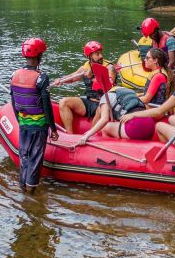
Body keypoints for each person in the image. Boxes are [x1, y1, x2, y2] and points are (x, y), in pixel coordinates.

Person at [10, 37, 58, 193]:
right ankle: (31, 197)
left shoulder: (14, 75)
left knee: (24, 156)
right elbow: (46, 106)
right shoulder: (41, 78)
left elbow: (13, 103)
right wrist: (53, 128)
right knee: (35, 158)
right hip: (39, 127)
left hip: (23, 123)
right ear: (39, 56)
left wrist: (20, 121)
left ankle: (22, 188)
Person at [52, 40, 116, 134]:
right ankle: (70, 135)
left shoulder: (110, 68)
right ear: (89, 56)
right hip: (89, 101)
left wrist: (92, 78)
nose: (101, 56)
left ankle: (90, 136)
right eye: (97, 54)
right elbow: (72, 78)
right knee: (64, 102)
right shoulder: (85, 67)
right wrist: (60, 80)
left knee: (100, 110)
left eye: (101, 53)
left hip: (104, 104)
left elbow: (108, 86)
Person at [76, 87, 156, 143]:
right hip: (150, 126)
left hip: (136, 128)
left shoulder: (105, 97)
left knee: (105, 128)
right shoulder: (129, 92)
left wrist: (88, 135)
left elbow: (104, 119)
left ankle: (109, 150)